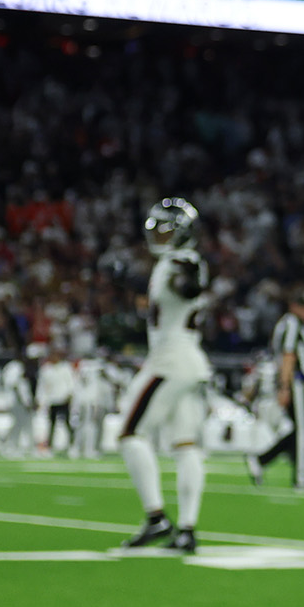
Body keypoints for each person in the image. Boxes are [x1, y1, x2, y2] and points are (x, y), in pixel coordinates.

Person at [119, 198, 214, 554]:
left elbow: (190, 285)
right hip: (190, 360)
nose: (158, 235)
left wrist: (183, 281)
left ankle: (156, 516)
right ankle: (187, 528)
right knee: (185, 445)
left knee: (130, 433)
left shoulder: (183, 261)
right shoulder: (173, 262)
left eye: (165, 229)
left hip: (170, 360)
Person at [250, 291, 304, 489]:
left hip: (301, 382)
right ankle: (300, 477)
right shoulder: (292, 323)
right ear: (294, 306)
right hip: (296, 383)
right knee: (302, 431)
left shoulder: (296, 324)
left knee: (299, 431)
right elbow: (288, 355)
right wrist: (285, 386)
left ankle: (260, 460)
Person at [37, 349, 77, 454]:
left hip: (64, 399)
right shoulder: (46, 369)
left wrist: (70, 394)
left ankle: (73, 445)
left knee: (68, 423)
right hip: (52, 400)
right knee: (51, 424)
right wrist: (41, 400)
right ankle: (49, 446)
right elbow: (42, 386)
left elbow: (71, 382)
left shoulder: (65, 368)